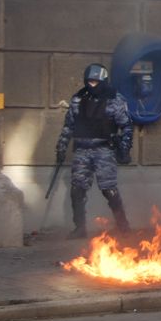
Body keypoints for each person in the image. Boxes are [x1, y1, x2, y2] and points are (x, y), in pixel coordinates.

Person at [55, 64, 133, 239]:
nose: (92, 85)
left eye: (96, 82)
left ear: (103, 81)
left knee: (109, 189)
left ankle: (123, 226)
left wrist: (125, 149)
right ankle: (80, 228)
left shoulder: (115, 99)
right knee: (77, 190)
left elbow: (126, 126)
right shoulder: (78, 99)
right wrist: (61, 147)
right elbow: (69, 126)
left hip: (104, 149)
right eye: (89, 81)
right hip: (82, 150)